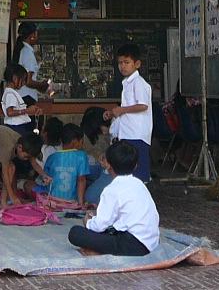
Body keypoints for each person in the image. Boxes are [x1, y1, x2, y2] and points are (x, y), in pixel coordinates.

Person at [67, 140, 160, 257]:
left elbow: (99, 226)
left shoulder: (111, 189)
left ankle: (97, 252)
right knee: (108, 232)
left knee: (75, 233)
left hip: (133, 245)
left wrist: (88, 222)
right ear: (136, 165)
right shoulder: (140, 184)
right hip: (151, 243)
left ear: (108, 165)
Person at [104, 43, 152, 182]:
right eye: (120, 63)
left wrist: (122, 110)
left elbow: (143, 105)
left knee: (139, 174)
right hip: (127, 133)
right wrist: (114, 113)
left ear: (137, 64)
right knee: (127, 172)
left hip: (137, 134)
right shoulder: (127, 83)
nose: (122, 66)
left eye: (126, 62)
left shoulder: (138, 82)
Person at [0, 124, 47, 210]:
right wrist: (13, 196)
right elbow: (4, 174)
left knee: (11, 168)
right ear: (19, 147)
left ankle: (3, 201)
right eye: (25, 157)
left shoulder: (25, 145)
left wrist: (44, 175)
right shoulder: (7, 147)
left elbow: (34, 163)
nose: (26, 159)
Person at [41, 123, 91, 205]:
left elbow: (46, 179)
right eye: (82, 141)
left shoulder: (52, 157)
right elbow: (81, 180)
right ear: (75, 141)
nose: (82, 144)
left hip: (53, 201)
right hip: (70, 202)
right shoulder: (81, 156)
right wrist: (80, 203)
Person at [14, 21, 50, 124]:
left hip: (22, 96)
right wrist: (42, 85)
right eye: (36, 33)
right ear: (32, 35)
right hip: (27, 97)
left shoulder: (22, 50)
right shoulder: (27, 52)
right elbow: (28, 81)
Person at [80, 106, 113, 205]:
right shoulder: (84, 136)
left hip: (102, 172)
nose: (107, 128)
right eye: (105, 125)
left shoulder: (108, 135)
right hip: (94, 171)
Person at [1, 63, 46, 137]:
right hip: (15, 127)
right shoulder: (10, 94)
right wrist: (26, 111)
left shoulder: (12, 93)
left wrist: (31, 110)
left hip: (18, 126)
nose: (24, 83)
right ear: (15, 78)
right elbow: (10, 112)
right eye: (22, 80)